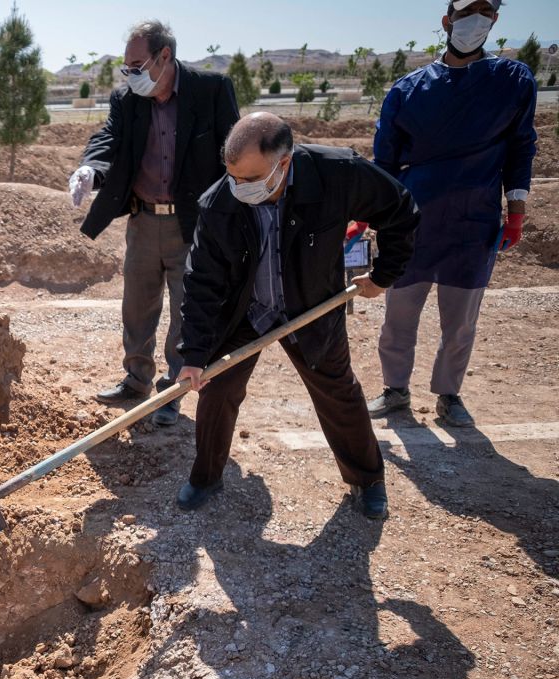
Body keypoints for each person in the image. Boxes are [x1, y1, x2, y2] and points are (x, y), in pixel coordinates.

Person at [176, 114, 420, 520]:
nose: (240, 188)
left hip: (311, 308)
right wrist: (194, 353)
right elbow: (201, 281)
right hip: (246, 312)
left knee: (337, 392)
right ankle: (205, 476)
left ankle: (368, 479)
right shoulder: (220, 202)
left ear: (284, 162)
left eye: (251, 178)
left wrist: (384, 275)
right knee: (216, 389)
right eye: (233, 176)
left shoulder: (337, 172)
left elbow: (400, 209)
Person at [367, 0, 537, 427]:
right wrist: (372, 213)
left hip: (474, 219)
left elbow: (521, 147)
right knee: (399, 314)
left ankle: (449, 394)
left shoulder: (512, 80)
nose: (476, 19)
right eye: (466, 12)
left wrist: (515, 210)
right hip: (412, 220)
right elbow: (384, 161)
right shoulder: (408, 90)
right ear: (447, 21)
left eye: (486, 11)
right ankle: (394, 389)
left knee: (460, 321)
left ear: (495, 20)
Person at [69, 20, 239, 427]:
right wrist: (91, 169)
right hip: (144, 221)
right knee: (137, 306)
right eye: (126, 67)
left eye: (136, 64)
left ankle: (172, 391)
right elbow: (108, 138)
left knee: (186, 310)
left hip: (193, 224)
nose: (130, 74)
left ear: (165, 57)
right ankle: (135, 380)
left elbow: (233, 150)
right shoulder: (127, 99)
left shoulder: (211, 90)